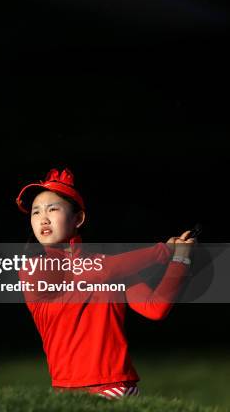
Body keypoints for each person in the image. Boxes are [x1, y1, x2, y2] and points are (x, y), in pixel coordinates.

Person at [15, 168, 196, 399]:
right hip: (64, 389)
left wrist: (181, 259)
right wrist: (163, 251)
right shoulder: (33, 269)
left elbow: (155, 307)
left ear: (78, 219)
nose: (43, 218)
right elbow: (98, 272)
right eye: (35, 212)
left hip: (115, 385)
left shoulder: (112, 267)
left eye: (53, 209)